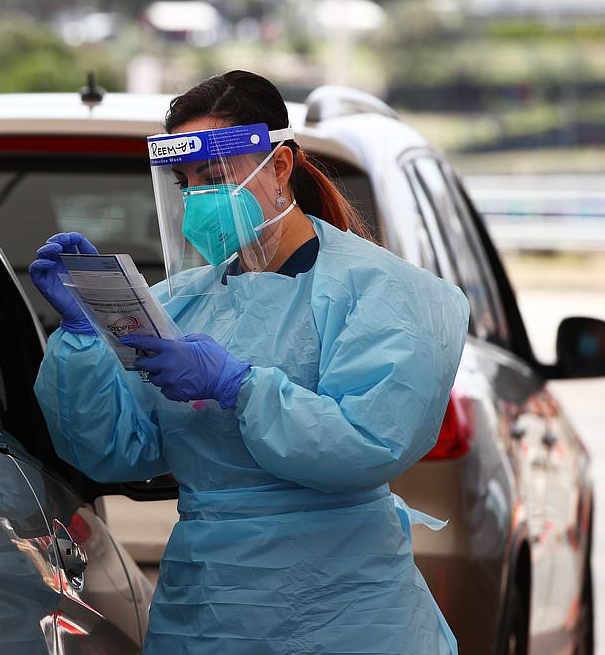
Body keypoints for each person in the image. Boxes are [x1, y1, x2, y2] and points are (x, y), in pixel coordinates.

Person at [29, 70, 469, 654]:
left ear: (280, 167)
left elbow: (368, 442)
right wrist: (83, 338)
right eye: (184, 183)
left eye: (213, 177)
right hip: (209, 608)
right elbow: (114, 452)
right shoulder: (178, 303)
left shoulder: (385, 291)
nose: (196, 200)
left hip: (346, 613)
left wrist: (239, 386)